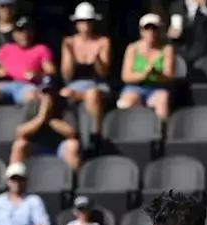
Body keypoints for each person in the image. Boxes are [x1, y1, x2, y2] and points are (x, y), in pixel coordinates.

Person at [0, 16, 55, 110]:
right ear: (14, 34)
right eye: (20, 31)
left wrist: (37, 74)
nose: (25, 34)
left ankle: (28, 124)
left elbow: (51, 71)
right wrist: (0, 72)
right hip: (6, 84)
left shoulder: (41, 49)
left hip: (28, 86)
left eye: (28, 30)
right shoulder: (6, 48)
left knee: (32, 97)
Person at [10, 75, 80, 172]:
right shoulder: (32, 104)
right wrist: (41, 117)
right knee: (19, 145)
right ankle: (15, 182)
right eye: (44, 92)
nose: (47, 96)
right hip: (37, 145)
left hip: (58, 146)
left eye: (51, 92)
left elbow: (71, 132)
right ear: (39, 93)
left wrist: (50, 118)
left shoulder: (65, 104)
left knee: (73, 145)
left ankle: (72, 181)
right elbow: (20, 132)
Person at [61, 3, 111, 135]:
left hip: (97, 84)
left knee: (92, 94)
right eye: (82, 21)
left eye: (89, 21)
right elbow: (67, 75)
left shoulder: (103, 42)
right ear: (76, 23)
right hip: (75, 85)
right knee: (63, 94)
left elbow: (103, 73)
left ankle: (95, 134)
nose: (86, 25)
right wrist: (71, 54)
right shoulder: (69, 42)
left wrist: (97, 59)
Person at [117, 14, 175, 120]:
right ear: (141, 31)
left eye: (154, 29)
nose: (151, 33)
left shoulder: (167, 49)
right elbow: (126, 76)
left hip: (156, 88)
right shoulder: (132, 48)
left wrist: (156, 73)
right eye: (147, 29)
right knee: (126, 102)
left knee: (162, 99)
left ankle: (160, 132)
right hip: (135, 87)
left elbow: (169, 76)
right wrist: (144, 74)